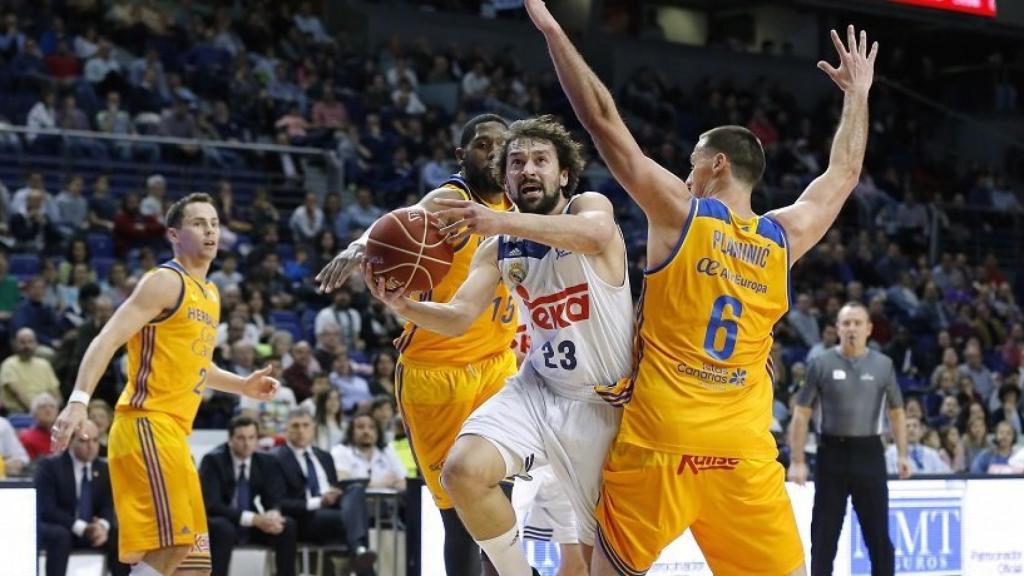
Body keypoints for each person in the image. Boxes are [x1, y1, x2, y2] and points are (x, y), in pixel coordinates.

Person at [524, 2, 878, 573]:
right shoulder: (783, 239)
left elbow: (603, 122)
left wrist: (551, 29)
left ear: (716, 165)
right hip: (742, 454)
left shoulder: (681, 214)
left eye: (691, 164)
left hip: (660, 443)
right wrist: (857, 94)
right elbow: (843, 175)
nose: (686, 176)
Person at [365, 115, 632, 575]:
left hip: (600, 401)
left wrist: (500, 219)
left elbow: (596, 236)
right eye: (516, 162)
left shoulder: (588, 207)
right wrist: (403, 305)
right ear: (505, 179)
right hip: (538, 389)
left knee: (599, 562)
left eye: (541, 160)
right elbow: (458, 316)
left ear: (564, 174)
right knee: (462, 471)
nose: (528, 169)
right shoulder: (498, 245)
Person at [316, 114, 521, 576]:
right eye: (483, 145)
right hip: (435, 373)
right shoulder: (451, 200)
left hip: (496, 366)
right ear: (462, 156)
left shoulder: (517, 203)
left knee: (499, 503)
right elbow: (397, 222)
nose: (493, 153)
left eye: (501, 145)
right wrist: (358, 246)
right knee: (459, 515)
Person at [50, 193, 280, 576]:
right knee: (173, 543)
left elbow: (197, 364)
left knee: (193, 563)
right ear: (174, 235)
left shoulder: (210, 293)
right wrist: (78, 401)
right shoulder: (164, 281)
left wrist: (243, 385)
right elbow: (107, 339)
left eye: (214, 223)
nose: (210, 231)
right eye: (198, 223)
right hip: (145, 423)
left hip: (173, 433)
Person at [789, 302, 909, 576]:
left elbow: (897, 412)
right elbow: (801, 413)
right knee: (824, 537)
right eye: (846, 323)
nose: (851, 328)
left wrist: (903, 455)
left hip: (869, 453)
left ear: (869, 329)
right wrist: (797, 460)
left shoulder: (883, 365)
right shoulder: (820, 364)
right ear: (837, 329)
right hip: (831, 453)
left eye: (857, 323)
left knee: (878, 537)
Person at [274, 408, 376, 574]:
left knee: (356, 490)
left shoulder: (324, 456)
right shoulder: (276, 458)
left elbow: (333, 486)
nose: (301, 431)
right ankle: (360, 555)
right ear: (286, 429)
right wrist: (318, 502)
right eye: (295, 426)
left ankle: (358, 552)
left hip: (332, 510)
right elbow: (279, 502)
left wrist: (335, 493)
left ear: (313, 428)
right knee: (356, 518)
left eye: (306, 425)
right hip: (304, 516)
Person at [199, 415, 297, 576]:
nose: (247, 443)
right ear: (230, 439)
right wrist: (254, 519)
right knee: (224, 529)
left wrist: (273, 514)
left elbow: (274, 498)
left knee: (286, 525)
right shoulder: (213, 461)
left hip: (251, 523)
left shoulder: (266, 461)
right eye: (241, 438)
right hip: (220, 521)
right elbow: (213, 505)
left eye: (252, 438)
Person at [35, 419, 129, 576]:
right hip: (60, 526)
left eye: (95, 440)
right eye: (84, 441)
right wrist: (80, 527)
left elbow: (107, 505)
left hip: (90, 529)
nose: (91, 446)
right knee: (60, 536)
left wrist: (102, 526)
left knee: (119, 536)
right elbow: (47, 509)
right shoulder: (49, 466)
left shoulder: (104, 469)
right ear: (70, 441)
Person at [331, 412, 406, 491]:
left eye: (371, 427)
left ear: (377, 432)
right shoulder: (340, 451)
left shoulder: (387, 451)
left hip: (390, 498)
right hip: (356, 498)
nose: (366, 431)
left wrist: (364, 483)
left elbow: (404, 482)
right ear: (351, 432)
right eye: (360, 427)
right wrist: (384, 483)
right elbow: (343, 483)